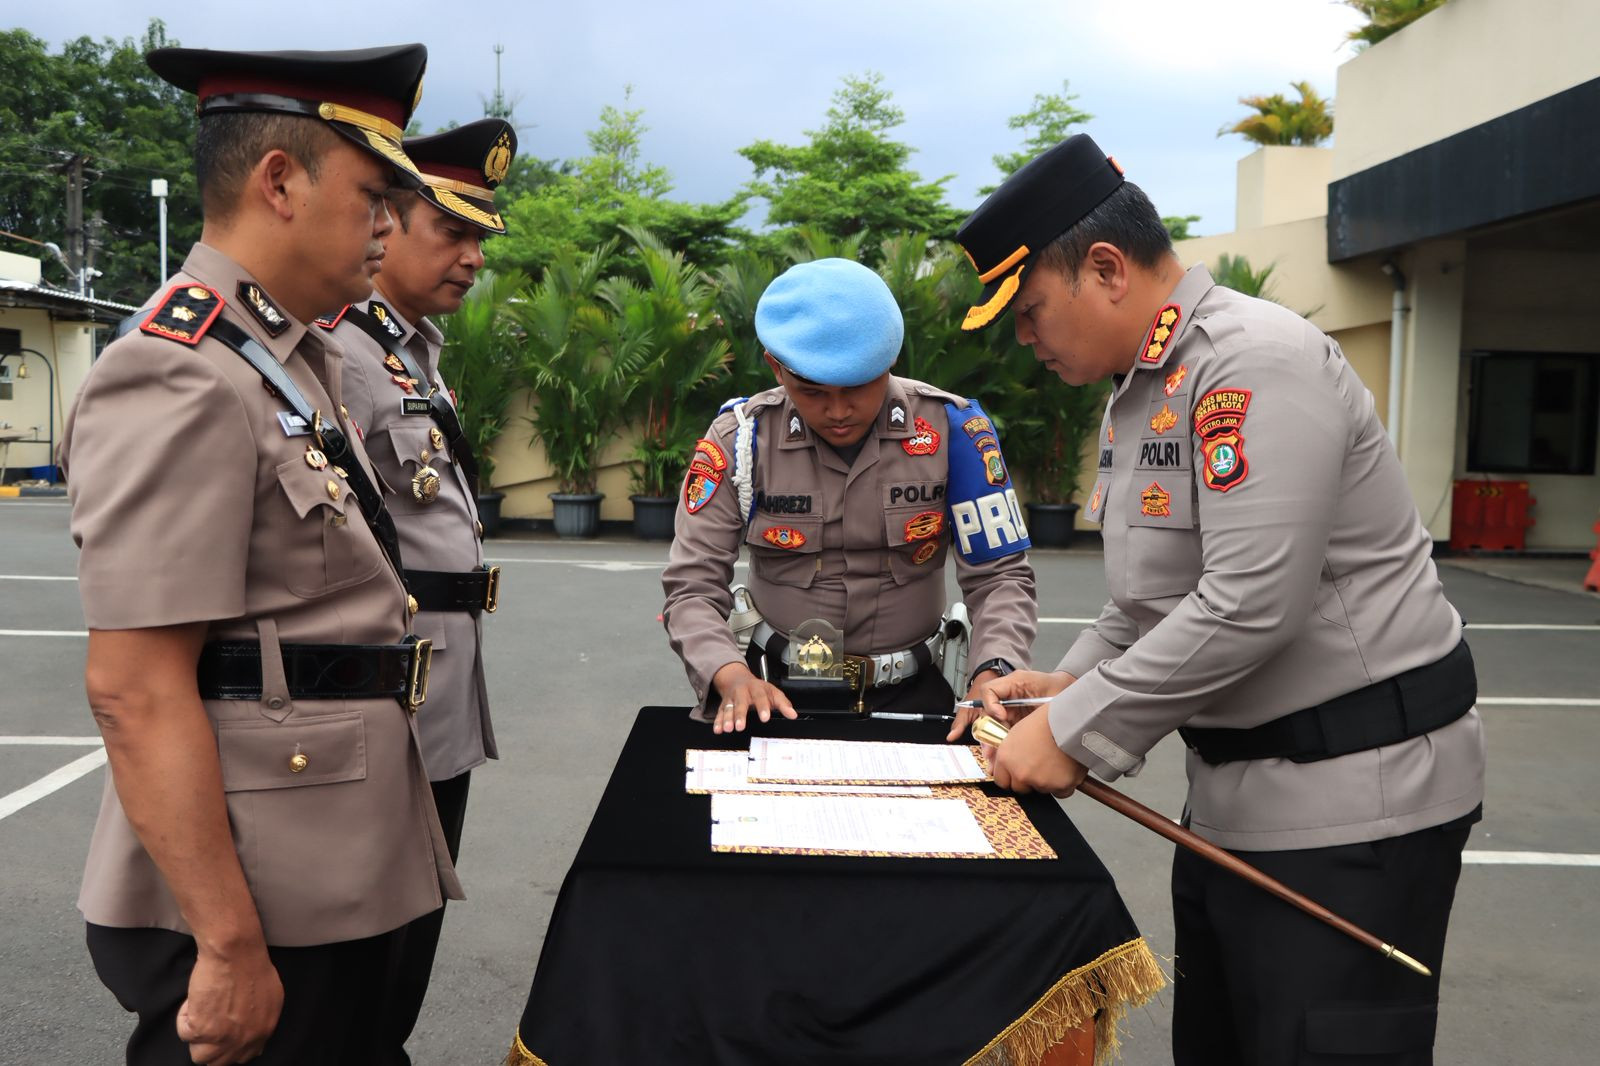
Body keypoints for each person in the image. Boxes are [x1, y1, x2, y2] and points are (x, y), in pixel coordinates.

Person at [959, 134, 1485, 1064]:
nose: (1024, 337)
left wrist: (1075, 733)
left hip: (1353, 812)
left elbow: (1249, 601)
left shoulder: (1251, 364)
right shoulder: (1147, 388)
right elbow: (1144, 603)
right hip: (1240, 808)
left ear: (1107, 269)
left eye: (1031, 309)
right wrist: (1059, 688)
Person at [61, 44, 462, 1066]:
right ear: (278, 182)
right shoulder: (183, 375)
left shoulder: (292, 358)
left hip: (337, 855)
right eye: (373, 195)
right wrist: (228, 942)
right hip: (264, 885)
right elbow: (136, 689)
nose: (387, 226)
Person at [321, 117, 515, 1064]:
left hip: (433, 699)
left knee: (407, 952)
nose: (475, 256)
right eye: (456, 232)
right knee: (359, 967)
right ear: (385, 223)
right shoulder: (337, 350)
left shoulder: (411, 348)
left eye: (483, 237)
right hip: (377, 703)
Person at [662, 257, 1037, 741]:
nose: (838, 411)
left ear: (889, 359)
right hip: (774, 692)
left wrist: (994, 671)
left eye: (859, 387)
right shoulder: (740, 442)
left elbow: (1000, 577)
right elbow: (692, 584)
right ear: (777, 367)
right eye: (812, 391)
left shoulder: (955, 432)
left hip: (916, 695)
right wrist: (728, 674)